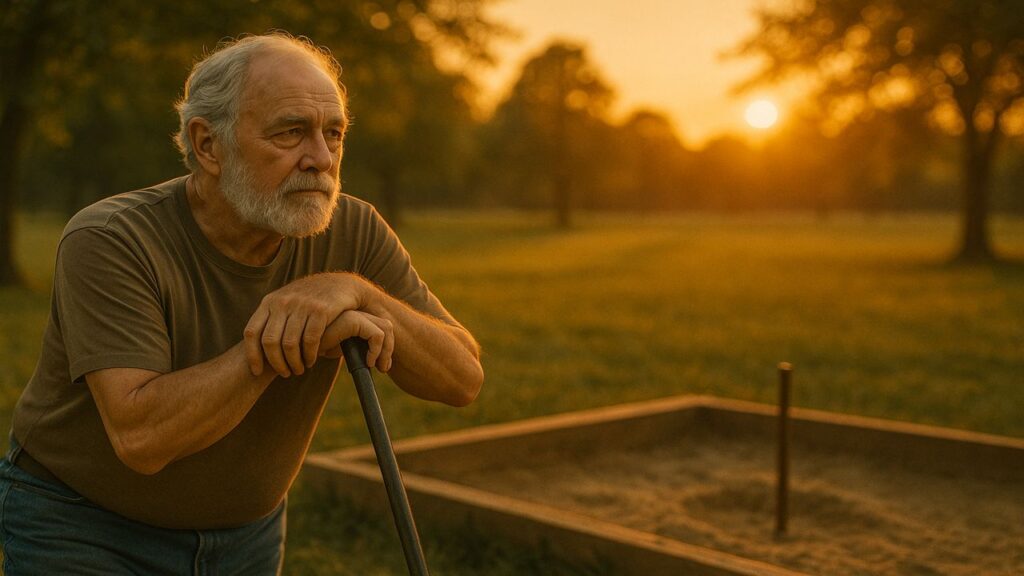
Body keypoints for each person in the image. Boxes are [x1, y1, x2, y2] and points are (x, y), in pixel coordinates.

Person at [0, 32, 483, 575]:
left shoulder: (354, 230)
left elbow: (461, 378)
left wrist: (355, 291)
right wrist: (282, 341)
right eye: (291, 133)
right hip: (83, 526)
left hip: (246, 535)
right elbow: (142, 438)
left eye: (334, 134)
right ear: (208, 145)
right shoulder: (111, 238)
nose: (321, 160)